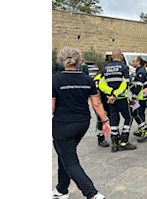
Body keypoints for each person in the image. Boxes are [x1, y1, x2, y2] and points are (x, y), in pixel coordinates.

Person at [52, 47, 108, 199]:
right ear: (78, 61)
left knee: (70, 160)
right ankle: (61, 190)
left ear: (62, 61)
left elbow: (51, 107)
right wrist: (105, 120)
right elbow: (96, 104)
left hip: (63, 125)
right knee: (64, 153)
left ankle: (92, 194)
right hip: (83, 123)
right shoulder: (87, 79)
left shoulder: (55, 80)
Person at [99, 49, 137, 152]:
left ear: (111, 57)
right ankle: (124, 141)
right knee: (128, 118)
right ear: (121, 57)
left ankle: (114, 144)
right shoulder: (124, 67)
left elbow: (101, 85)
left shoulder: (106, 68)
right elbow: (125, 83)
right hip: (122, 98)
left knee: (114, 120)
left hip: (110, 100)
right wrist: (116, 93)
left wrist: (111, 92)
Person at [130, 56, 147, 142]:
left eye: (133, 61)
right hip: (141, 96)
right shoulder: (140, 70)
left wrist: (133, 98)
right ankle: (141, 129)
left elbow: (138, 86)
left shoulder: (141, 72)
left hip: (140, 97)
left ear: (138, 62)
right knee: (140, 113)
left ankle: (144, 131)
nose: (132, 63)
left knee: (136, 114)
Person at [93, 61, 111, 147]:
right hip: (99, 102)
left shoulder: (106, 76)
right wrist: (99, 105)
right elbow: (97, 92)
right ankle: (100, 138)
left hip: (107, 101)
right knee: (100, 120)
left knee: (107, 118)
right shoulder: (98, 78)